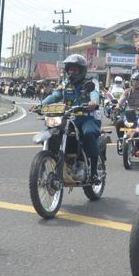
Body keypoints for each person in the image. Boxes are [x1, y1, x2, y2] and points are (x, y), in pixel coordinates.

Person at [41, 54, 103, 183]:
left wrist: (93, 102)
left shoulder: (91, 82)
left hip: (88, 117)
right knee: (54, 132)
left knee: (89, 133)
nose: (72, 72)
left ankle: (93, 173)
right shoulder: (65, 84)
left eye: (75, 70)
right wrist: (40, 105)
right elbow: (55, 96)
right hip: (70, 117)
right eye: (70, 69)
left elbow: (94, 94)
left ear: (82, 70)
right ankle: (60, 160)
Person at [114, 72, 139, 138]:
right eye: (134, 81)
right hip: (128, 114)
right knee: (119, 122)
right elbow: (121, 100)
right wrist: (118, 106)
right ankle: (121, 141)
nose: (135, 83)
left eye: (138, 81)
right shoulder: (127, 92)